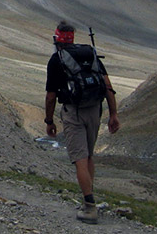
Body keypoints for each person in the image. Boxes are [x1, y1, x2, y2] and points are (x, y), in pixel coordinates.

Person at [44, 20, 120, 224]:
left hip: (73, 113)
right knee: (88, 157)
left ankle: (89, 207)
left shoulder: (57, 60)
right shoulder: (89, 54)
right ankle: (90, 198)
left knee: (79, 159)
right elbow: (108, 86)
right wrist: (113, 114)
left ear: (57, 38)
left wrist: (49, 120)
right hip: (95, 110)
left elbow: (51, 96)